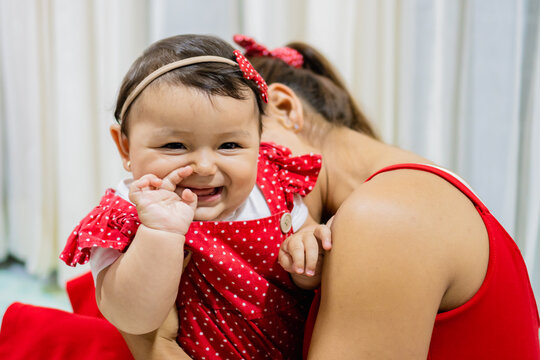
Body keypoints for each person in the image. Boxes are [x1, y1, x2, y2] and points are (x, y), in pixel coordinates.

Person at [147, 34, 540, 359]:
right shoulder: (429, 198)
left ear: (283, 109)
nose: (216, 176)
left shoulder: (386, 217)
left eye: (231, 144)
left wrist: (151, 343)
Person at [59, 34, 333, 360]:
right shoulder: (126, 212)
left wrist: (306, 258)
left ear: (259, 143)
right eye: (175, 145)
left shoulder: (272, 185)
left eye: (229, 145)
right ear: (125, 148)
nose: (204, 166)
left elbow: (309, 259)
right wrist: (160, 233)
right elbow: (131, 317)